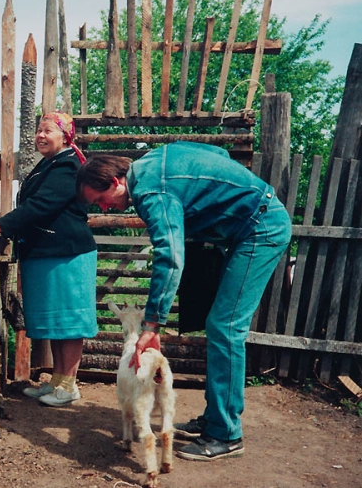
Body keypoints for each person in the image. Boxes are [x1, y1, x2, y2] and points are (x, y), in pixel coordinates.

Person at [76, 141, 291, 461]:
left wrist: (151, 324)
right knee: (219, 324)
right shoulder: (153, 160)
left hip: (260, 228)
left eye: (101, 201)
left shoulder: (150, 192)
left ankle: (226, 434)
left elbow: (171, 256)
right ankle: (215, 419)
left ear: (115, 182)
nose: (104, 209)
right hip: (249, 226)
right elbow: (219, 155)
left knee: (226, 326)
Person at [0, 111, 98, 407]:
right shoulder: (50, 163)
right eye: (39, 130)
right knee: (56, 322)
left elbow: (43, 205)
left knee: (68, 322)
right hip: (48, 253)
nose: (41, 136)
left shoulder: (68, 166)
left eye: (48, 131)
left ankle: (68, 386)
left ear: (65, 136)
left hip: (67, 254)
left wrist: (1, 224)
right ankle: (58, 381)